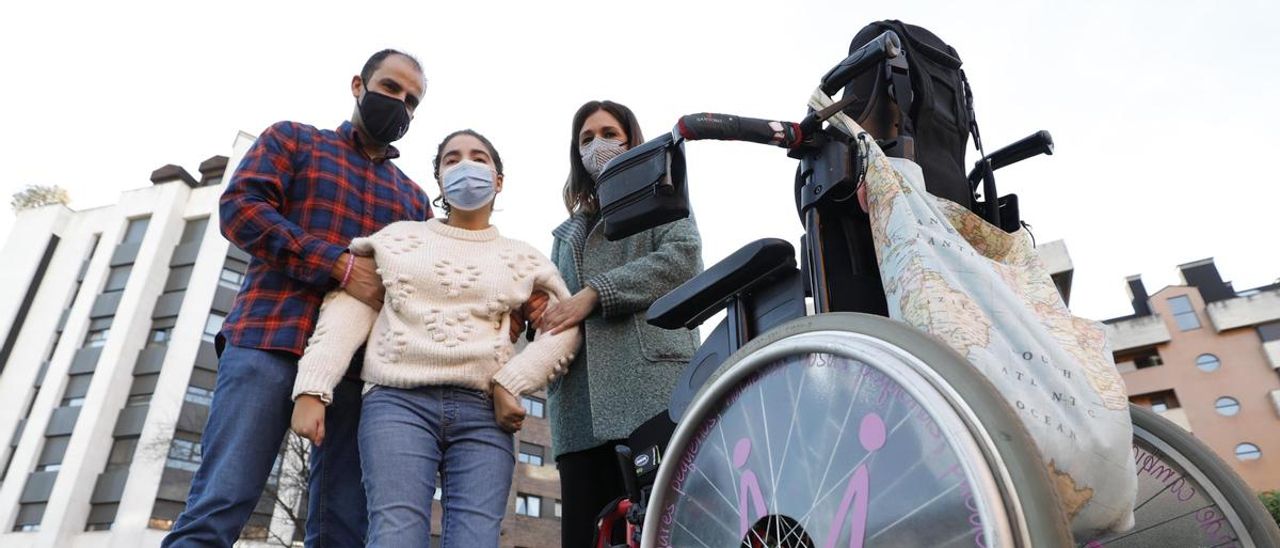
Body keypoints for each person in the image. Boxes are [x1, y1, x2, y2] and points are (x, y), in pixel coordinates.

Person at [163, 49, 432, 548]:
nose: (400, 105)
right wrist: (336, 264)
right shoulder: (293, 139)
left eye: (412, 100)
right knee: (221, 502)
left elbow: (421, 284)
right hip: (269, 338)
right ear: (358, 85)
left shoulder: (413, 198)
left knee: (343, 527)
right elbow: (241, 208)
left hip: (355, 371)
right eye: (391, 88)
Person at [290, 129, 581, 547]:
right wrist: (312, 388)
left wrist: (510, 383)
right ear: (439, 179)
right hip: (395, 403)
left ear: (499, 180)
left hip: (485, 412)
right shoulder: (397, 238)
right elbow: (350, 308)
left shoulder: (524, 257)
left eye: (480, 158)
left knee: (476, 540)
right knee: (395, 535)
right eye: (452, 159)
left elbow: (564, 327)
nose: (466, 166)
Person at [536, 100, 703, 547]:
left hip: (649, 391)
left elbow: (682, 261)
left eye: (609, 134)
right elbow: (560, 307)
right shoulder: (565, 235)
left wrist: (595, 294)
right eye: (586, 138)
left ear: (631, 140)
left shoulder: (665, 200)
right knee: (586, 535)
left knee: (664, 529)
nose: (598, 145)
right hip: (579, 406)